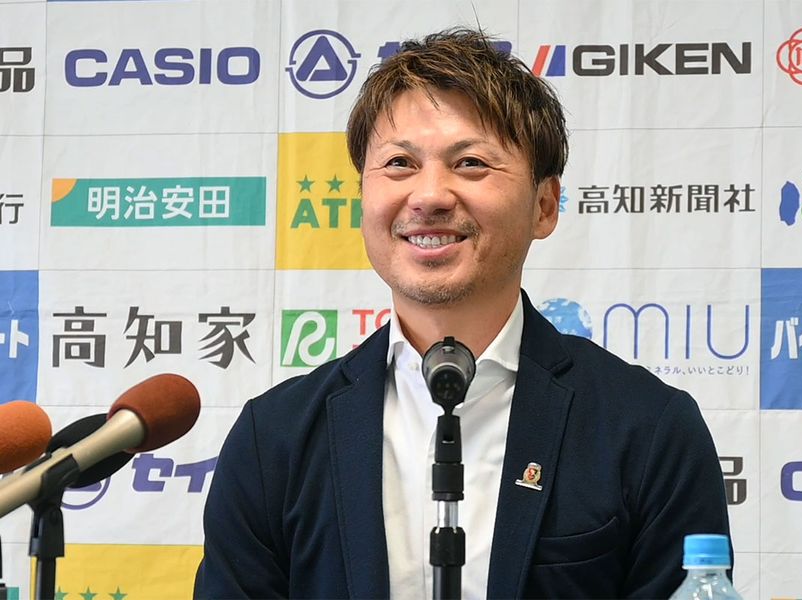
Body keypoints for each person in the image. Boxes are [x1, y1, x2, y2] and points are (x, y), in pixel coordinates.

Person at [195, 28, 730, 599]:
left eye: (471, 163)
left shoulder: (647, 427)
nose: (429, 196)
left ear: (544, 206)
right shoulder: (274, 437)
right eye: (399, 163)